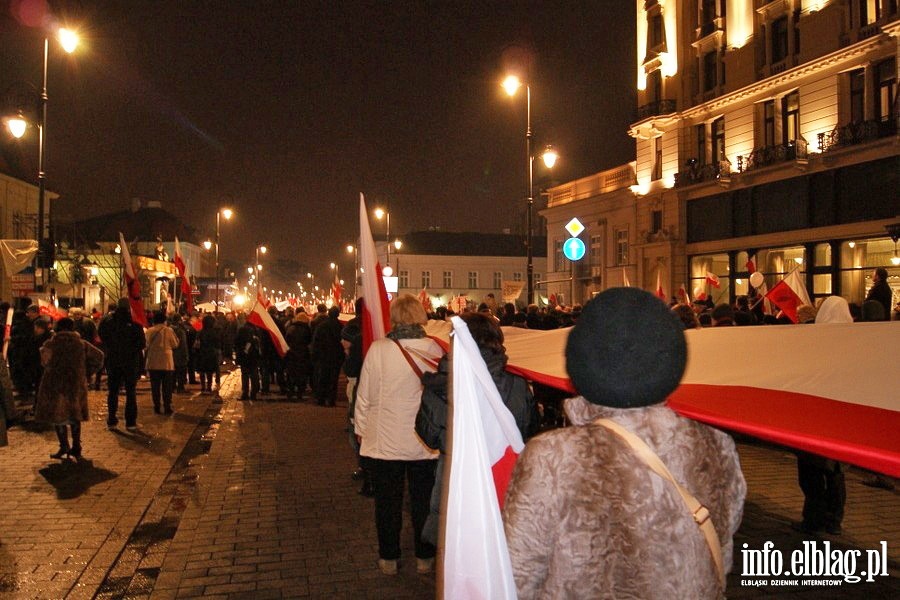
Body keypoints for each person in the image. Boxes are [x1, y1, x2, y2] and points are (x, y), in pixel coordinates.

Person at [502, 288, 746, 599]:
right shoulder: (717, 447)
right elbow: (720, 558)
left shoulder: (553, 458)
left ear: (580, 362)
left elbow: (515, 577)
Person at [416, 312, 538, 546]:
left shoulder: (440, 385)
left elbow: (428, 435)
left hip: (455, 479)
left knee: (459, 557)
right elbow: (529, 431)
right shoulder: (517, 386)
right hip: (503, 480)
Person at [354, 294, 445, 576]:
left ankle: (389, 558)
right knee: (423, 502)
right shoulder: (434, 349)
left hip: (386, 442)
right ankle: (424, 557)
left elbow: (364, 396)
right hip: (424, 441)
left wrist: (360, 429)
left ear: (394, 318)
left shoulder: (379, 349)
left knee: (388, 504)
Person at [793, 295, 851, 535]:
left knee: (811, 470)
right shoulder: (858, 340)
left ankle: (813, 517)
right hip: (843, 417)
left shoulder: (815, 340)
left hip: (815, 416)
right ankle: (834, 519)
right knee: (836, 472)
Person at [34, 317, 104, 460]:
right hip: (75, 385)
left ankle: (64, 446)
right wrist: (86, 372)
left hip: (55, 385)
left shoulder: (50, 344)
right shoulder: (81, 344)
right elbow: (99, 357)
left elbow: (44, 362)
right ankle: (76, 447)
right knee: (74, 415)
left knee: (58, 417)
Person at [98, 298, 146, 430]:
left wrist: (111, 347)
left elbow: (101, 336)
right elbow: (142, 343)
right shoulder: (135, 322)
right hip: (130, 362)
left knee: (113, 391)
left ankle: (112, 420)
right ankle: (130, 422)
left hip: (113, 361)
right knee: (131, 392)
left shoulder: (107, 321)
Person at [144, 311, 179, 415]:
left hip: (153, 362)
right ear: (164, 320)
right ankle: (167, 406)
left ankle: (157, 406)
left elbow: (146, 345)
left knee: (155, 386)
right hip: (166, 363)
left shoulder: (149, 331)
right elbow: (175, 344)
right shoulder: (169, 330)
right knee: (167, 387)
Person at [310, 306, 344, 407]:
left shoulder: (322, 326)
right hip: (335, 357)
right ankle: (331, 399)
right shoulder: (340, 326)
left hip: (323, 356)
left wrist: (315, 355)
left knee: (323, 377)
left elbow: (316, 341)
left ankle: (321, 399)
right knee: (333, 379)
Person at [283, 310, 312, 401]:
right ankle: (300, 393)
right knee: (301, 374)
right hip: (303, 354)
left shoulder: (291, 328)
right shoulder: (307, 329)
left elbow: (286, 339)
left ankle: (290, 392)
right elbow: (309, 341)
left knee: (291, 374)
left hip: (292, 353)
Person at [234, 320, 262, 400]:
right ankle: (254, 392)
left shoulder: (242, 329)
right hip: (254, 355)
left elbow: (236, 341)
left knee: (245, 374)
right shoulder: (257, 330)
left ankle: (245, 393)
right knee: (254, 373)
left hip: (244, 355)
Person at [196, 314, 221, 393]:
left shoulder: (200, 332)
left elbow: (197, 344)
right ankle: (209, 387)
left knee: (202, 371)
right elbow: (218, 344)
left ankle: (203, 387)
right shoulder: (214, 333)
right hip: (211, 353)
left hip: (202, 353)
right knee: (209, 372)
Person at [169, 314, 190, 393]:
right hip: (180, 354)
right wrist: (186, 354)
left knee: (173, 372)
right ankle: (180, 388)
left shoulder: (169, 329)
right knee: (180, 371)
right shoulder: (180, 331)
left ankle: (172, 387)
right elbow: (183, 344)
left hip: (171, 354)